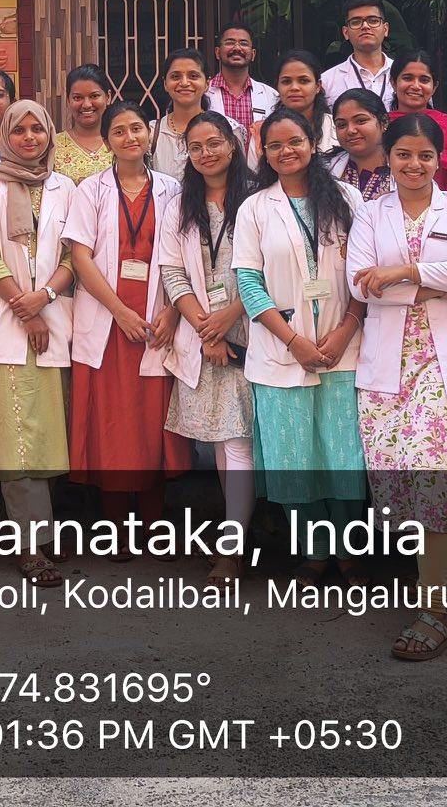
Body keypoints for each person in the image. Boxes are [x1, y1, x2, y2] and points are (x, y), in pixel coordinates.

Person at [347, 115, 447, 660]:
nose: (414, 165)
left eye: (425, 155)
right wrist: (440, 285)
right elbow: (360, 285)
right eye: (404, 154)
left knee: (437, 482)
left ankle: (433, 610)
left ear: (440, 160)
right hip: (391, 370)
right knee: (410, 487)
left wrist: (405, 273)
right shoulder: (370, 213)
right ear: (388, 157)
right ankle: (443, 575)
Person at [233, 107, 366, 571]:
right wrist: (293, 341)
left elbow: (363, 275)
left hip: (342, 350)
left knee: (343, 456)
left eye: (294, 141)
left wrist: (346, 330)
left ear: (312, 143)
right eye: (274, 145)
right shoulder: (254, 207)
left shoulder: (348, 198)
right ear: (264, 153)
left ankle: (349, 553)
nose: (285, 151)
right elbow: (249, 283)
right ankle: (314, 553)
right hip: (280, 352)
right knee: (293, 458)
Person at [0, 100, 78, 586]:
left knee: (48, 431)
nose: (29, 137)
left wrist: (44, 297)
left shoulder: (65, 186)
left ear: (50, 134)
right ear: (7, 136)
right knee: (17, 438)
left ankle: (43, 531)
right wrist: (24, 308)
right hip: (5, 325)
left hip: (52, 319)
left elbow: (74, 255)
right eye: (20, 130)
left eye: (37, 129)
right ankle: (29, 546)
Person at [64, 100, 189, 533]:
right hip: (109, 323)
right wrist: (119, 312)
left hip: (157, 324)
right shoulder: (91, 190)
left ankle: (154, 523)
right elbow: (80, 257)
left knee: (151, 424)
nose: (129, 137)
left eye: (136, 128)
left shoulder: (172, 190)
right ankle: (114, 526)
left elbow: (184, 258)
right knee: (111, 425)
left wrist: (173, 311)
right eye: (118, 131)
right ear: (107, 141)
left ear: (149, 134)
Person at [155, 112, 257, 583]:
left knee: (237, 442)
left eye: (214, 143)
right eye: (195, 147)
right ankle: (237, 535)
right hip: (203, 335)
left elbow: (269, 268)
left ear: (232, 145)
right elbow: (172, 272)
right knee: (221, 441)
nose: (206, 153)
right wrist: (205, 329)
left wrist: (227, 321)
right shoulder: (181, 205)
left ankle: (231, 550)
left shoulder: (257, 199)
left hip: (250, 331)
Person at [389, 51, 447, 191]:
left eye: (424, 80)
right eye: (408, 78)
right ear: (393, 82)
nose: (416, 86)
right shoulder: (379, 127)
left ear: (434, 87)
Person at [254, 50, 336, 166]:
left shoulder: (337, 128)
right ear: (277, 86)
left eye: (303, 81)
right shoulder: (260, 132)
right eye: (286, 81)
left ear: (318, 86)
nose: (294, 87)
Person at [321, 0, 394, 109]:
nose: (365, 26)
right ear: (346, 33)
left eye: (373, 21)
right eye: (356, 22)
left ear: (385, 29)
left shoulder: (405, 75)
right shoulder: (327, 82)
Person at [148, 47, 211, 176]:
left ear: (207, 83)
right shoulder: (151, 133)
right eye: (176, 76)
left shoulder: (226, 130)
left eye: (193, 76)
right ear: (165, 84)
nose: (184, 83)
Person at [206, 21, 276, 135]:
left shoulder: (271, 96)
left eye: (243, 43)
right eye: (230, 43)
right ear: (217, 52)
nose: (237, 48)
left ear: (253, 54)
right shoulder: (203, 93)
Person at [327, 88, 393, 202]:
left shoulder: (406, 169)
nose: (350, 130)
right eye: (342, 125)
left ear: (384, 122)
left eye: (360, 121)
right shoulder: (325, 169)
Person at [54, 64, 116, 183]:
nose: (86, 104)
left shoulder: (121, 141)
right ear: (68, 101)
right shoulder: (53, 145)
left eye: (94, 96)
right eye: (78, 98)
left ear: (108, 97)